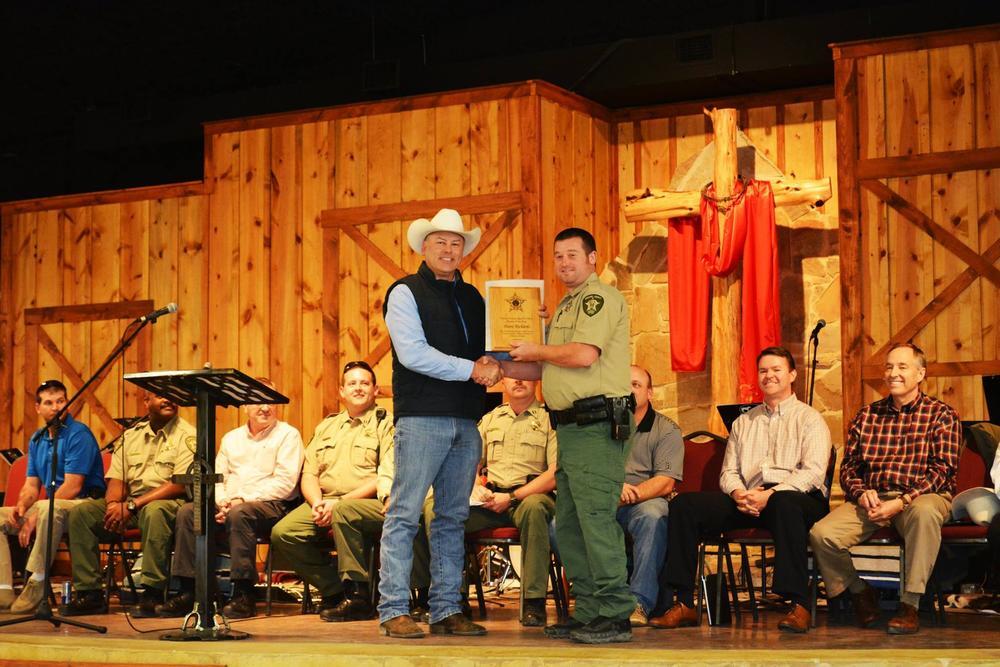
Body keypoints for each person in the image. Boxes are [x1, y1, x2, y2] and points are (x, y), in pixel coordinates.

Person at [502, 227, 635, 644]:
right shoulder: (563, 308)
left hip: (597, 424)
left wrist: (535, 350)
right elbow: (541, 367)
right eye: (558, 256)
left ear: (593, 258)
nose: (564, 263)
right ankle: (590, 611)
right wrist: (496, 364)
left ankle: (614, 614)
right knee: (573, 525)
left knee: (595, 520)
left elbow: (582, 355)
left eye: (573, 255)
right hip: (571, 428)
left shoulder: (599, 299)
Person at [377, 208, 498, 639]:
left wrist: (517, 338)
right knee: (406, 513)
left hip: (467, 419)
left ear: (464, 250)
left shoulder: (474, 298)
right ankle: (393, 608)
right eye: (440, 242)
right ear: (424, 247)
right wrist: (473, 370)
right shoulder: (404, 292)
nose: (448, 250)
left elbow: (493, 350)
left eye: (456, 243)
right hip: (423, 416)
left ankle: (446, 609)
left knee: (451, 516)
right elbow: (412, 354)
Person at [651, 346, 831, 633]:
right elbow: (729, 472)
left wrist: (770, 495)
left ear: (792, 375)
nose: (769, 375)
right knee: (685, 506)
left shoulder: (809, 418)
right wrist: (738, 494)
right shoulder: (743, 422)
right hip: (748, 498)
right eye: (763, 371)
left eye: (776, 369)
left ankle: (798, 604)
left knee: (785, 503)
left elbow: (812, 473)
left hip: (797, 498)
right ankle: (683, 601)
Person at [810, 342, 961, 635]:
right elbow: (849, 468)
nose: (893, 373)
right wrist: (861, 493)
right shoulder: (868, 415)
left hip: (923, 496)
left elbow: (943, 471)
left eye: (902, 367)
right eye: (889, 367)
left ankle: (910, 604)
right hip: (874, 499)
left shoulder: (941, 414)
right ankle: (860, 592)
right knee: (822, 534)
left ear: (921, 373)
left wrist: (903, 501)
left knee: (924, 514)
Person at [157, 379, 303, 619]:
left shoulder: (288, 435)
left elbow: (285, 484)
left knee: (240, 514)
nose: (265, 407)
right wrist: (223, 501)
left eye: (270, 401)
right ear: (244, 405)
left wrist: (241, 500)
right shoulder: (231, 438)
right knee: (188, 512)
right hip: (230, 504)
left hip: (274, 505)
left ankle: (243, 594)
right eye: (257, 401)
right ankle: (187, 590)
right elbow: (219, 478)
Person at [270, 361, 392, 621]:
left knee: (345, 512)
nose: (358, 388)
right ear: (341, 391)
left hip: (365, 502)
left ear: (375, 390)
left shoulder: (386, 424)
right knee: (285, 532)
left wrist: (340, 504)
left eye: (364, 383)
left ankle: (358, 595)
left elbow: (385, 475)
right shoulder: (327, 426)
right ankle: (334, 589)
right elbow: (309, 473)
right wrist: (316, 503)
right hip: (325, 501)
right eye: (352, 383)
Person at [432, 376, 558, 627]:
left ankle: (533, 600)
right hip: (490, 500)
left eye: (524, 376)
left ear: (536, 380)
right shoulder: (490, 420)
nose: (518, 381)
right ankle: (452, 599)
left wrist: (511, 497)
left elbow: (555, 473)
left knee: (534, 509)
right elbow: (468, 461)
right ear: (502, 382)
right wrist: (477, 485)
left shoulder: (548, 419)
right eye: (512, 376)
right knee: (445, 513)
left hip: (528, 497)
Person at [60, 391, 196, 617]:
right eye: (160, 396)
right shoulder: (131, 436)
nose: (168, 399)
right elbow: (117, 479)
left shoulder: (188, 435)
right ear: (146, 402)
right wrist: (114, 505)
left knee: (155, 512)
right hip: (131, 503)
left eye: (172, 396)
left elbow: (178, 485)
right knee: (81, 513)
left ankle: (152, 592)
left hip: (168, 502)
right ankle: (90, 593)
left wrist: (132, 506)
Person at [0, 380, 105, 614]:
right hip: (50, 506)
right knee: (0, 517)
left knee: (47, 509)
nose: (56, 407)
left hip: (82, 504)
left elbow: (73, 486)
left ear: (67, 403)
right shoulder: (38, 438)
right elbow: (31, 484)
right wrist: (21, 507)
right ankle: (3, 588)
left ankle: (37, 581)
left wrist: (36, 513)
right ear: (38, 407)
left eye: (61, 401)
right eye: (49, 402)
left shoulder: (79, 434)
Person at [325, 416, 432, 623]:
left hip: (422, 502)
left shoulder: (437, 439)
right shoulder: (400, 439)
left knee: (419, 515)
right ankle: (358, 595)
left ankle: (423, 595)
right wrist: (388, 496)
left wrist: (410, 501)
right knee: (344, 510)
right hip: (391, 502)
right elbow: (384, 474)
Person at [618, 365, 684, 627]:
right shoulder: (602, 425)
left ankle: (639, 602)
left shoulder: (666, 429)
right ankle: (597, 598)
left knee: (653, 516)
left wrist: (628, 496)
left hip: (644, 499)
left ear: (650, 392)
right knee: (558, 525)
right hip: (605, 494)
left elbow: (665, 482)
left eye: (636, 385)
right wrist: (612, 489)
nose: (629, 390)